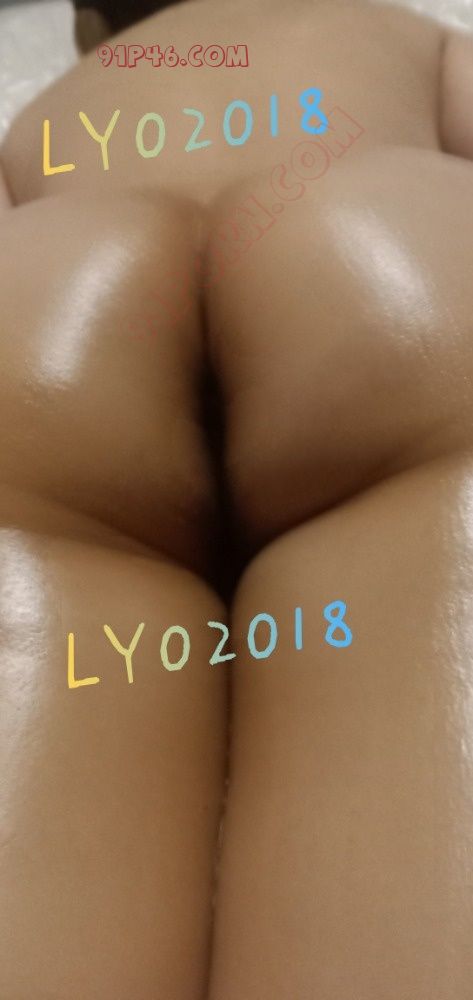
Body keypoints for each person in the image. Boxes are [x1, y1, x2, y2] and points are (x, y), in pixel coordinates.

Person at [1, 0, 473, 996]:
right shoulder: (392, 31)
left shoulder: (50, 110)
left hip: (45, 288)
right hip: (380, 245)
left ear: (88, 16)